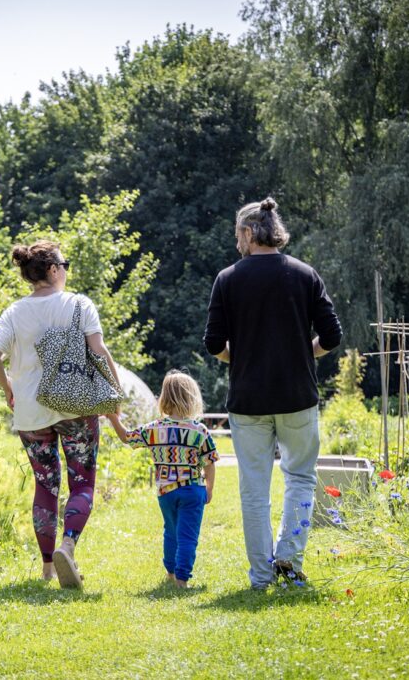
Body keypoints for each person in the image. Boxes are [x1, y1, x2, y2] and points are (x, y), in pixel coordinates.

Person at [203, 197, 342, 590]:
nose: (236, 245)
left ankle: (262, 577)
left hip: (248, 400)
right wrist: (304, 353)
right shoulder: (305, 274)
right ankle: (289, 560)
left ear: (249, 233)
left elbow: (214, 343)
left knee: (254, 490)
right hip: (298, 394)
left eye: (237, 236)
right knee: (300, 478)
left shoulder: (227, 279)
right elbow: (332, 336)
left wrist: (243, 358)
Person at [0, 240, 122, 588]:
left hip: (30, 410)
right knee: (82, 482)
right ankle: (68, 547)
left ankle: (47, 568)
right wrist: (115, 395)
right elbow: (99, 352)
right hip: (76, 407)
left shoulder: (14, 312)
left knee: (45, 485)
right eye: (64, 264)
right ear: (53, 269)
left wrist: (9, 387)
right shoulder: (79, 304)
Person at [106, 371, 218, 588]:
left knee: (171, 530)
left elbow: (127, 438)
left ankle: (170, 572)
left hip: (165, 492)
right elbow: (210, 461)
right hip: (192, 490)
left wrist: (113, 418)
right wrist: (209, 488)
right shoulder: (199, 430)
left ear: (164, 399)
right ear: (192, 399)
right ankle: (182, 579)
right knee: (188, 535)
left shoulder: (155, 429)